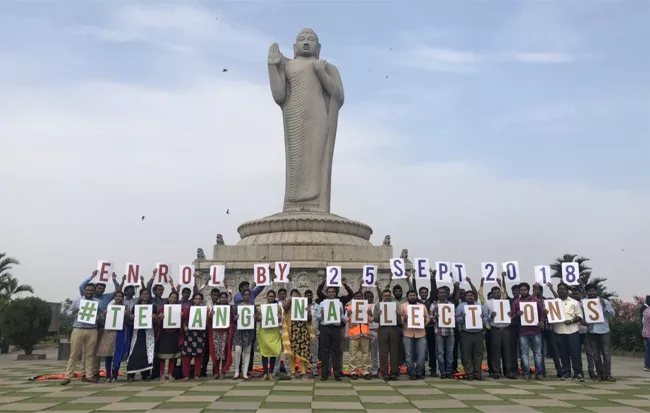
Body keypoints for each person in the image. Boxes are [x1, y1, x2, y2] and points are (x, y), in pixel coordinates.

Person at [79, 270, 120, 380]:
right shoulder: (87, 295)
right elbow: (81, 287)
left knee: (98, 352)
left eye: (102, 289)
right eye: (99, 288)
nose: (100, 290)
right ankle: (84, 373)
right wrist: (91, 277)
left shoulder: (106, 297)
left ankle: (94, 372)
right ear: (95, 288)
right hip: (88, 327)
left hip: (101, 327)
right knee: (87, 351)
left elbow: (118, 291)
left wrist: (114, 280)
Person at [61, 284, 102, 385]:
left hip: (92, 329)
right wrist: (74, 311)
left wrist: (98, 317)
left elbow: (101, 315)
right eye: (87, 290)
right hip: (78, 329)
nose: (89, 292)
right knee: (74, 353)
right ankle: (68, 376)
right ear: (84, 290)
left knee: (89, 354)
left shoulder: (97, 302)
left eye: (91, 290)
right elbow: (68, 313)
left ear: (94, 291)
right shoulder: (78, 301)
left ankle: (88, 375)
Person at [547, 282, 584, 381]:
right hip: (559, 331)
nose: (561, 291)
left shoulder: (574, 302)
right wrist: (547, 313)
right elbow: (549, 316)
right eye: (559, 289)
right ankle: (566, 372)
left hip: (572, 331)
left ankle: (578, 373)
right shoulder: (553, 303)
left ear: (567, 291)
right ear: (557, 290)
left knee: (575, 353)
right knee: (563, 354)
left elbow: (580, 316)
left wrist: (571, 321)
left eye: (563, 289)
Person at [511, 282, 545, 380]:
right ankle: (525, 372)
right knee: (524, 353)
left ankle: (539, 373)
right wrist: (517, 314)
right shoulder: (516, 302)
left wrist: (542, 321)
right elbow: (512, 316)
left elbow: (541, 313)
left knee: (537, 353)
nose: (523, 291)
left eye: (524, 290)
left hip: (536, 331)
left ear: (528, 290)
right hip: (523, 331)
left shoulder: (535, 301)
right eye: (521, 290)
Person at [583, 283, 616, 381]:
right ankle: (600, 374)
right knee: (595, 355)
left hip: (604, 331)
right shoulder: (583, 303)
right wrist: (583, 321)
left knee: (606, 353)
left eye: (593, 290)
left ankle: (607, 374)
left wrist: (604, 306)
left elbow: (612, 314)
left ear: (596, 291)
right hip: (591, 331)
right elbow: (581, 315)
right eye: (589, 291)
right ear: (587, 292)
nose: (591, 292)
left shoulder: (604, 301)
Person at [456, 290, 489, 381]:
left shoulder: (480, 306)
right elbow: (457, 320)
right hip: (466, 333)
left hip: (478, 333)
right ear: (465, 297)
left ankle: (478, 373)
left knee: (478, 354)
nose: (469, 297)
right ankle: (469, 373)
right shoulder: (461, 306)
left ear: (474, 297)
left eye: (471, 295)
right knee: (466, 354)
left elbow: (486, 319)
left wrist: (482, 319)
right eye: (468, 295)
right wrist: (462, 317)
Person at [126, 289, 158, 381]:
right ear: (140, 295)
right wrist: (131, 317)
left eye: (147, 294)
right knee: (135, 352)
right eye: (143, 294)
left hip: (148, 332)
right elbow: (131, 318)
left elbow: (155, 319)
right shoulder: (136, 307)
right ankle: (131, 374)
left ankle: (146, 373)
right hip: (138, 332)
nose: (145, 295)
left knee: (147, 351)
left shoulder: (152, 306)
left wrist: (154, 317)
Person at [282, 289, 314, 379]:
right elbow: (284, 307)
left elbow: (309, 319)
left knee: (303, 352)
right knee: (292, 353)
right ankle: (292, 372)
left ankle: (304, 372)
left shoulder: (304, 304)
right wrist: (291, 299)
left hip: (303, 331)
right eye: (293, 295)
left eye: (297, 295)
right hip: (292, 331)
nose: (295, 296)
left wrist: (308, 311)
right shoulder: (288, 305)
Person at [316, 286, 346, 381]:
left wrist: (342, 316)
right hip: (325, 328)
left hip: (336, 328)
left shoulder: (340, 303)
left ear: (335, 293)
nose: (331, 293)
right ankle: (324, 373)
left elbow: (344, 319)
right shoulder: (322, 303)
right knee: (324, 351)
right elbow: (318, 317)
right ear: (327, 293)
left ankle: (337, 373)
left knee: (336, 351)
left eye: (333, 292)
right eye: (329, 292)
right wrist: (322, 315)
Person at [485, 285, 515, 380]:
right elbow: (485, 317)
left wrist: (511, 315)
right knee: (495, 351)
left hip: (506, 329)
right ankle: (496, 371)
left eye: (498, 292)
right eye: (495, 293)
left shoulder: (506, 302)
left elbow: (511, 314)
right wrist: (491, 316)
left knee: (507, 351)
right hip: (495, 329)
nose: (497, 294)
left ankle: (508, 371)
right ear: (492, 294)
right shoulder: (488, 303)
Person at [533, 283, 562, 378]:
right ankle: (542, 371)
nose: (536, 291)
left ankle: (559, 370)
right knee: (539, 351)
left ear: (541, 291)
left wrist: (552, 289)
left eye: (537, 290)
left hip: (549, 328)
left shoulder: (548, 300)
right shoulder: (532, 301)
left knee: (554, 350)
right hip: (538, 329)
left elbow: (558, 299)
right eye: (534, 290)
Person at [97, 290, 127, 383]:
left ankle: (115, 375)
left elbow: (129, 320)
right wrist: (105, 314)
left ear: (123, 298)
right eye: (117, 296)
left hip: (120, 332)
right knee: (108, 354)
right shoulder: (109, 308)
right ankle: (108, 375)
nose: (118, 298)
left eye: (120, 296)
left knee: (118, 354)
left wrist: (127, 314)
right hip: (109, 331)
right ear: (114, 297)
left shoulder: (125, 308)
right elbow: (102, 319)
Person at [400, 290, 430, 380]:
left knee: (421, 354)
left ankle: (420, 372)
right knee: (408, 354)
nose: (412, 297)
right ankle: (412, 372)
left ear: (416, 296)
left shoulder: (422, 306)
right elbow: (401, 319)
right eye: (410, 295)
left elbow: (427, 317)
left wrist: (424, 323)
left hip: (421, 333)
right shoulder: (403, 306)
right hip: (407, 332)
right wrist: (404, 319)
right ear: (407, 296)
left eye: (414, 295)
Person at [430, 286, 457, 379]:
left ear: (447, 294)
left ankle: (449, 371)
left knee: (450, 353)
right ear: (437, 294)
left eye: (444, 293)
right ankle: (442, 371)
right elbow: (430, 318)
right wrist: (435, 318)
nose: (442, 294)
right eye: (440, 293)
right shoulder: (433, 305)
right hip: (439, 332)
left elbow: (454, 317)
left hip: (450, 332)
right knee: (440, 353)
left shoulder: (450, 304)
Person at [346, 291, 372, 380]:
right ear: (354, 298)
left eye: (360, 296)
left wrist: (370, 313)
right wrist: (348, 315)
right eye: (357, 296)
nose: (358, 298)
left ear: (362, 297)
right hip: (354, 333)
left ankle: (366, 371)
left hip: (364, 333)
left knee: (365, 354)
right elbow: (345, 320)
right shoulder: (349, 307)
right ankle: (353, 371)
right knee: (352, 354)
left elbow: (371, 320)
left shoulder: (367, 306)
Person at [257, 290, 283, 380]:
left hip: (274, 332)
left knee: (273, 352)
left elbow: (280, 319)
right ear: (266, 297)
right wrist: (259, 318)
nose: (271, 298)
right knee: (264, 353)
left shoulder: (278, 307)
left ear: (274, 297)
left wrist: (280, 318)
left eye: (272, 296)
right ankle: (265, 372)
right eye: (269, 296)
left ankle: (271, 373)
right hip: (264, 332)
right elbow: (258, 318)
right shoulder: (261, 307)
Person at [207, 292, 234, 379]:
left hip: (225, 333)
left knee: (224, 352)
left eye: (225, 297)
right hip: (215, 332)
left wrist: (234, 319)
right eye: (221, 297)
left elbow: (232, 319)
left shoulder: (230, 308)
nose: (223, 299)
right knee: (216, 353)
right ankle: (216, 372)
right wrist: (211, 315)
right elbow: (209, 320)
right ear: (219, 298)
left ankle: (223, 371)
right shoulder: (215, 307)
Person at [180, 293, 207, 380]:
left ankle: (196, 374)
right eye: (196, 299)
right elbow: (185, 319)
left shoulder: (204, 309)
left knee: (198, 355)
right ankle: (186, 375)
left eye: (199, 299)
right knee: (186, 355)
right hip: (190, 334)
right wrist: (184, 327)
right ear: (193, 300)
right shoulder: (189, 309)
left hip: (200, 334)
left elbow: (207, 321)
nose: (198, 300)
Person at [375, 289, 400, 381]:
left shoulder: (396, 305)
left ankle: (394, 372)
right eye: (385, 295)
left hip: (393, 328)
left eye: (389, 295)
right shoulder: (378, 305)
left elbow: (400, 320)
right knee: (383, 352)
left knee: (394, 351)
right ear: (382, 296)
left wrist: (398, 315)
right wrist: (378, 315)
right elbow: (375, 319)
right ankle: (384, 373)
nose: (387, 297)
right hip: (383, 329)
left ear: (391, 296)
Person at [156, 291, 182, 381]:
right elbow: (157, 323)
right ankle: (162, 374)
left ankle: (170, 373)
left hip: (175, 334)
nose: (173, 299)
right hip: (164, 334)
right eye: (172, 297)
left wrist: (182, 317)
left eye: (175, 298)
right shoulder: (162, 308)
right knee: (163, 356)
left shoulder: (179, 309)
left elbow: (182, 323)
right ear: (168, 298)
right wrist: (159, 318)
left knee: (172, 356)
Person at [233, 289, 256, 380]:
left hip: (249, 331)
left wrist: (255, 317)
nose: (246, 296)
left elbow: (256, 318)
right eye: (245, 295)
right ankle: (236, 372)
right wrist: (236, 317)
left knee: (247, 351)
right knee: (237, 350)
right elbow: (233, 319)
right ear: (242, 296)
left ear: (250, 296)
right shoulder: (237, 306)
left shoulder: (253, 307)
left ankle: (245, 372)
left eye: (248, 295)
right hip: (239, 331)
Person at [642, 296, 650, 372]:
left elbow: (643, 322)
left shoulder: (645, 311)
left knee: (647, 351)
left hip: (645, 333)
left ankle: (646, 366)